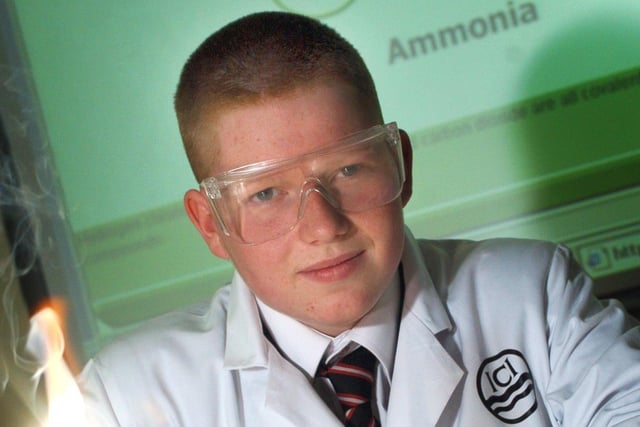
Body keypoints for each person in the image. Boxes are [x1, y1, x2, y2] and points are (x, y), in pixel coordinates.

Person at [78, 11, 640, 426]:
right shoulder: (127, 397)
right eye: (267, 193)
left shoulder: (530, 297)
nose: (322, 227)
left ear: (402, 166)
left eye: (349, 169)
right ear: (209, 225)